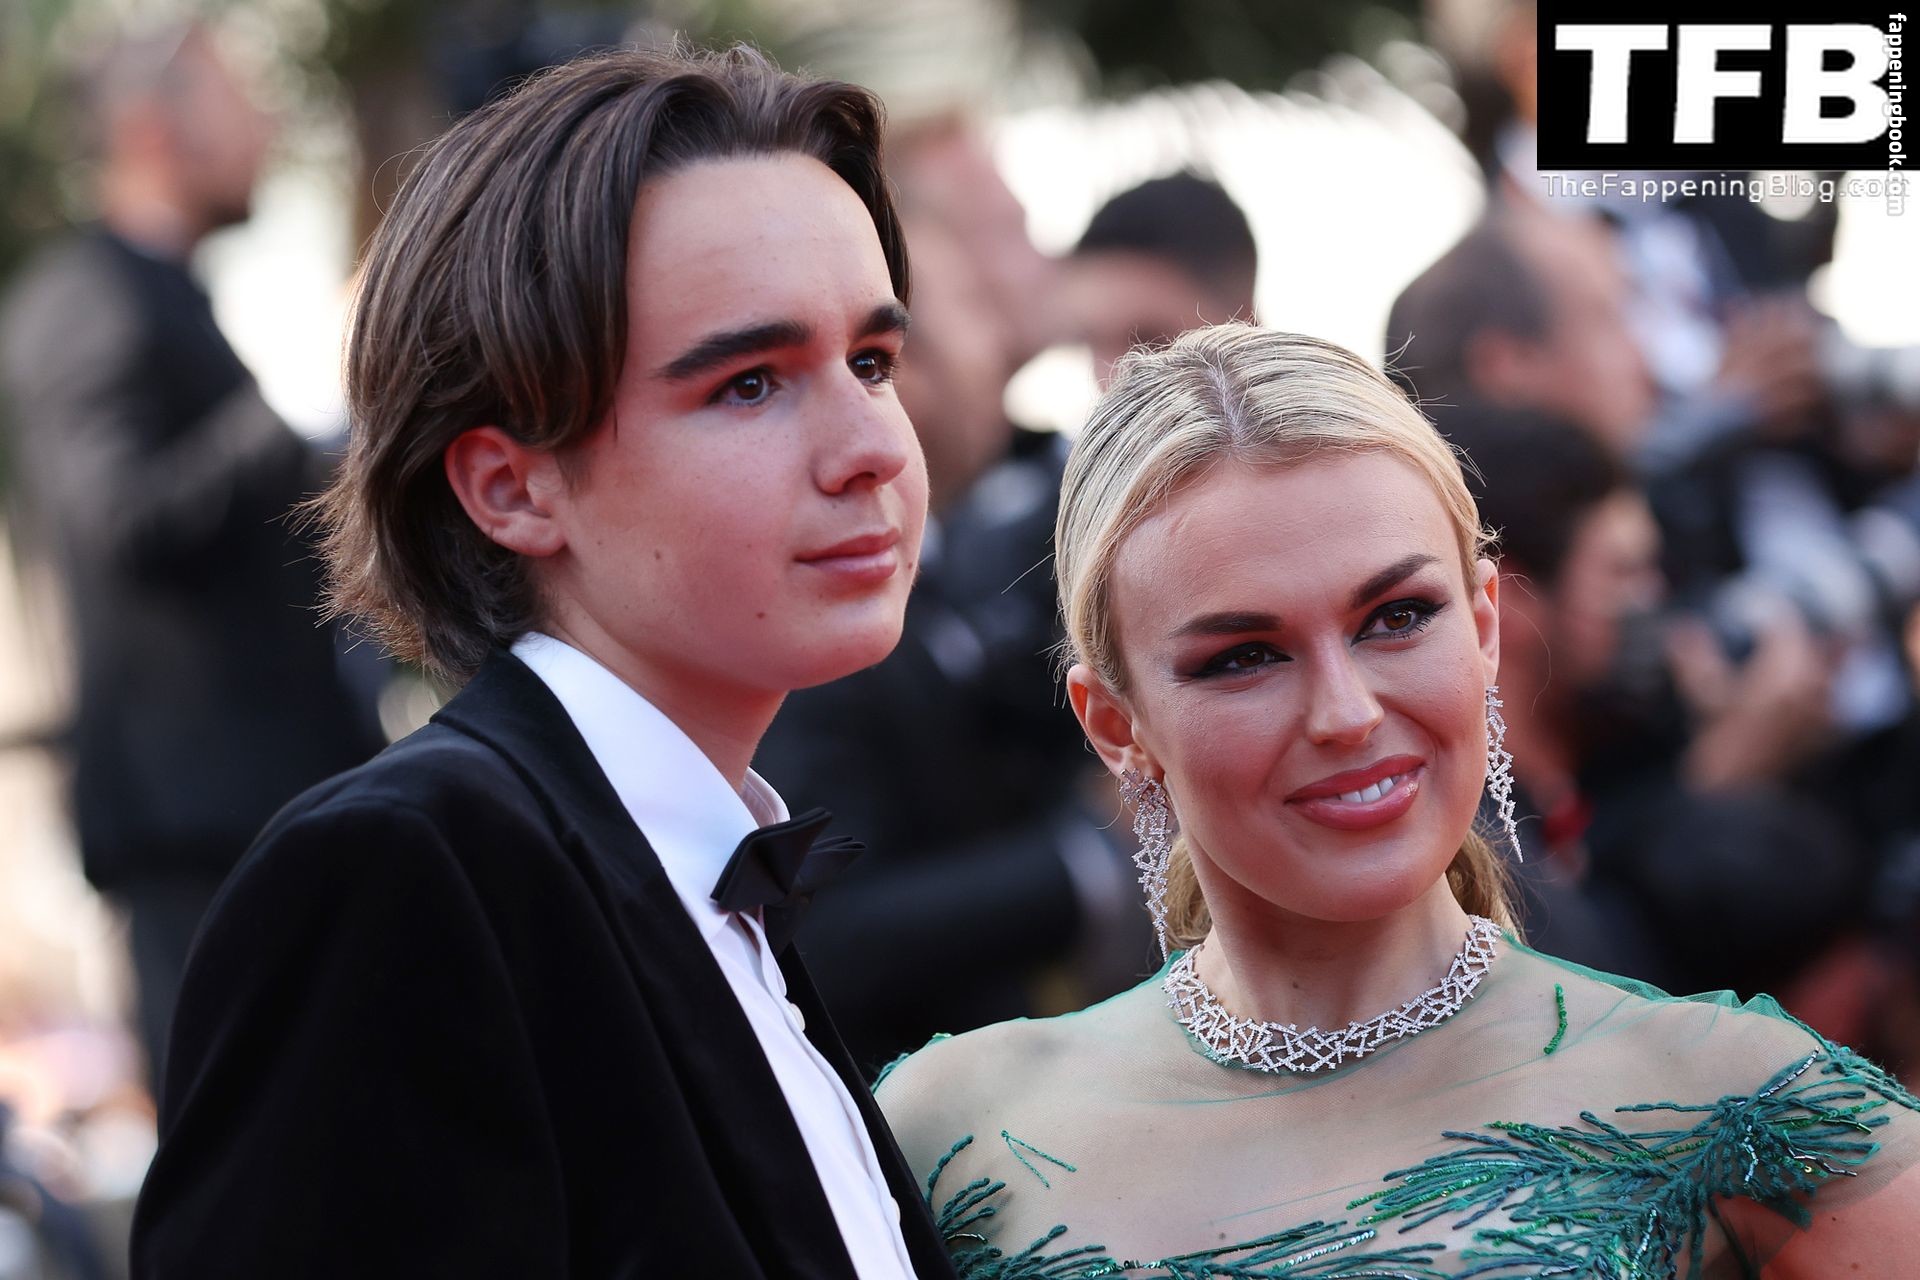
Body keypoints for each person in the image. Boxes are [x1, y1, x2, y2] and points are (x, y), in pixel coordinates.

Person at [132, 45, 958, 1278]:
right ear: (511, 486)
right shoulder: (398, 881)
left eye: (872, 361)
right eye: (749, 383)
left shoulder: (701, 881)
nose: (871, 446)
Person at [876, 324, 1920, 1277]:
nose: (1346, 712)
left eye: (1397, 616)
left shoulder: (1735, 1104)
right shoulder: (952, 1132)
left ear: (1485, 626)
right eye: (1243, 656)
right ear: (1117, 725)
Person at [0, 22, 385, 1093]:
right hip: (203, 827)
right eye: (238, 101)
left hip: (261, 809)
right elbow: (121, 520)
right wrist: (306, 390)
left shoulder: (163, 296)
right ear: (150, 130)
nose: (267, 126)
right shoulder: (87, 299)